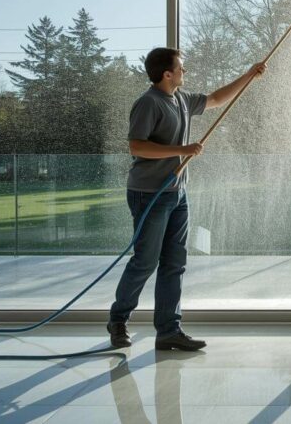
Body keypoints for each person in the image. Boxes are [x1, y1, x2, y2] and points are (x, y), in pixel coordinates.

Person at [107, 47, 267, 351]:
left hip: (177, 193)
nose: (185, 71)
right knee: (145, 261)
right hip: (149, 193)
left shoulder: (180, 99)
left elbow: (217, 99)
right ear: (167, 74)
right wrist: (182, 150)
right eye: (181, 68)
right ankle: (117, 321)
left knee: (174, 263)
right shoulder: (148, 104)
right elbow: (137, 147)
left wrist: (249, 75)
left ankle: (168, 329)